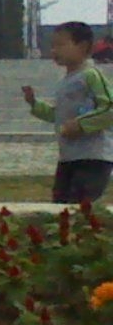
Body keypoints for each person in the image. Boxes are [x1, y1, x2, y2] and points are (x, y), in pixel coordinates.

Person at [22, 21, 113, 204]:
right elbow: (59, 116)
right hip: (68, 157)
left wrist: (81, 125)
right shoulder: (65, 81)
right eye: (53, 45)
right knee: (61, 207)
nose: (54, 51)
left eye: (61, 45)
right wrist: (35, 104)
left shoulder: (91, 75)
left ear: (83, 47)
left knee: (78, 208)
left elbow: (109, 108)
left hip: (93, 157)